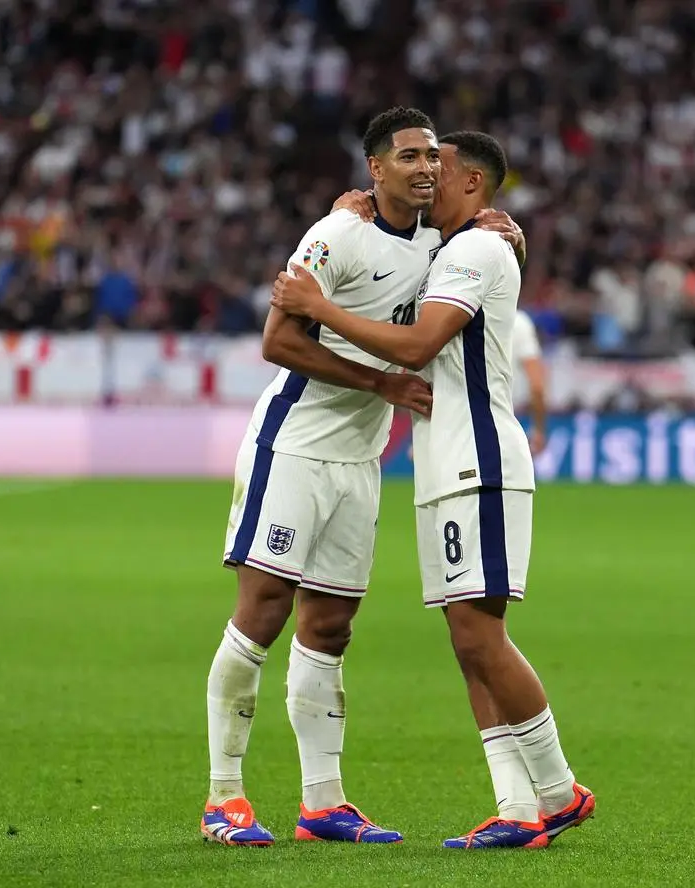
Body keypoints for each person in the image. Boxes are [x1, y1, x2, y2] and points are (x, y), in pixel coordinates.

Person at [202, 108, 525, 847]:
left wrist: (511, 228)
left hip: (360, 460)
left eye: (431, 158)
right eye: (407, 156)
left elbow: (484, 249)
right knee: (263, 611)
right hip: (294, 445)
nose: (424, 169)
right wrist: (377, 385)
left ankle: (323, 804)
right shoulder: (337, 232)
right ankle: (224, 797)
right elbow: (278, 339)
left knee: (332, 625)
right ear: (374, 168)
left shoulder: (449, 244)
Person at [271, 131, 593, 850]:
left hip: (478, 459)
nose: (424, 180)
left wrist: (316, 307)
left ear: (473, 183)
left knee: (481, 637)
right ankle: (517, 810)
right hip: (446, 466)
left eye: (437, 170)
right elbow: (391, 250)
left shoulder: (478, 249)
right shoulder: (458, 246)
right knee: (469, 642)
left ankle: (558, 790)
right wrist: (350, 212)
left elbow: (416, 348)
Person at [512, 310, 548, 454]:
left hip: (464, 414)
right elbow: (537, 384)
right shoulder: (519, 322)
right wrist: (539, 428)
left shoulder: (465, 313)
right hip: (502, 415)